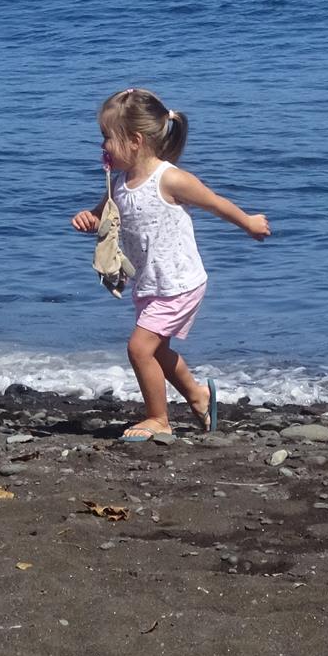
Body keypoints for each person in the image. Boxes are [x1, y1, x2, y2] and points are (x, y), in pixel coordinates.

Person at [71, 88, 270, 441]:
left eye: (107, 138)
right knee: (157, 350)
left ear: (134, 140)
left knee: (139, 348)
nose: (102, 146)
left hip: (179, 282)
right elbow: (105, 218)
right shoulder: (118, 183)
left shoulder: (169, 178)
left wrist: (249, 222)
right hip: (149, 283)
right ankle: (198, 396)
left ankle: (158, 419)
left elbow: (215, 203)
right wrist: (89, 219)